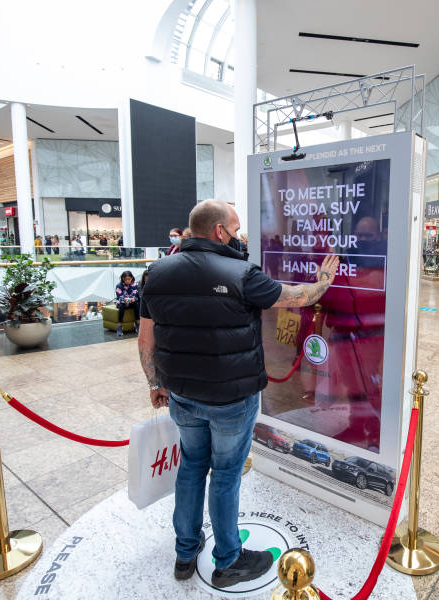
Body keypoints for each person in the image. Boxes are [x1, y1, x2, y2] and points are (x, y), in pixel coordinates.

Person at [138, 199, 340, 588]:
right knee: (226, 475)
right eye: (235, 228)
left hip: (182, 396)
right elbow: (299, 297)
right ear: (219, 232)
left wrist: (154, 382)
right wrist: (324, 280)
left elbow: (146, 340)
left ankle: (185, 551)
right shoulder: (242, 273)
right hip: (231, 400)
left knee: (192, 466)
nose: (238, 234)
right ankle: (228, 560)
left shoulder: (156, 273)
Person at [114, 270, 140, 335]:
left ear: (132, 278)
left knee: (136, 304)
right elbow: (119, 297)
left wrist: (133, 299)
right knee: (122, 306)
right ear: (123, 279)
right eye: (125, 279)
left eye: (129, 279)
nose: (127, 281)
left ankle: (138, 324)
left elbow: (136, 296)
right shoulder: (119, 286)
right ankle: (119, 326)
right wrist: (126, 300)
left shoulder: (134, 285)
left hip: (131, 302)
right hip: (121, 303)